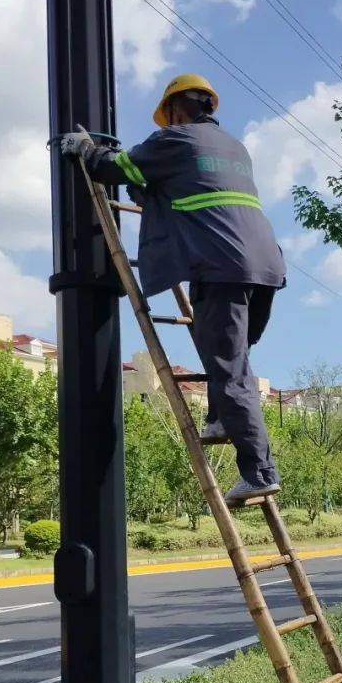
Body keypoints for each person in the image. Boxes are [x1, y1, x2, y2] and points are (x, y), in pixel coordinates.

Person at [59, 73, 285, 504]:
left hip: (221, 264)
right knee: (229, 356)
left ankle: (259, 471)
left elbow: (114, 168)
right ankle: (221, 417)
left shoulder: (175, 141)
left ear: (178, 109)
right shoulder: (235, 148)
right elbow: (186, 192)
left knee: (229, 367)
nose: (165, 123)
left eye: (168, 116)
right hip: (266, 266)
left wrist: (87, 150)